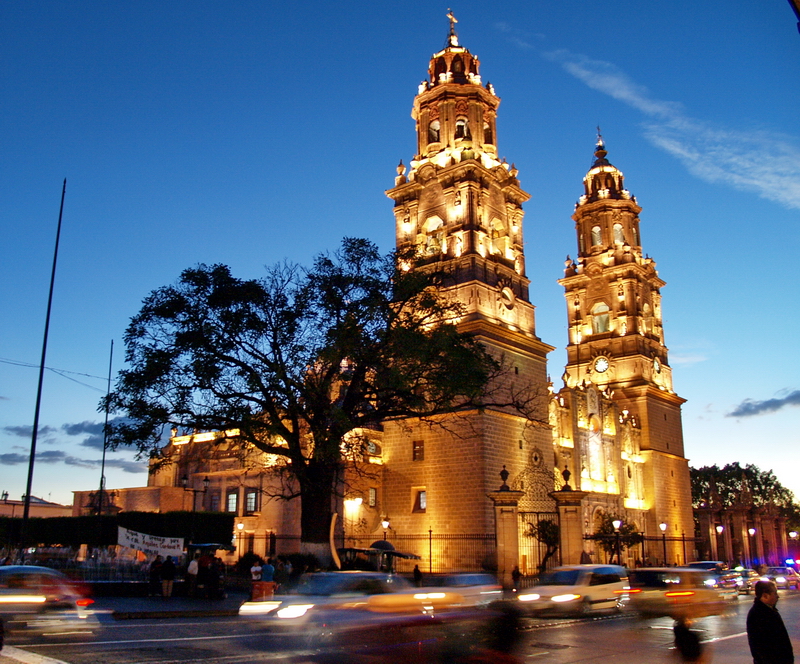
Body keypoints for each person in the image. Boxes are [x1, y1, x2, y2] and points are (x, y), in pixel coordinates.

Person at [747, 579, 794, 664]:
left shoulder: (770, 611)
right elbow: (761, 647)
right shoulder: (758, 615)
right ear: (765, 596)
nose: (777, 596)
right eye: (775, 593)